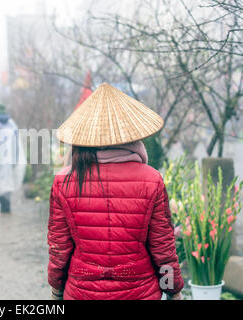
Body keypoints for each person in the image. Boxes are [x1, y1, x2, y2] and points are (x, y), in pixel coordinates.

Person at [47, 83, 183, 300]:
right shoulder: (152, 179)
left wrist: (56, 289)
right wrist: (173, 289)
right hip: (139, 292)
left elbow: (59, 247)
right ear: (132, 134)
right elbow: (162, 247)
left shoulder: (64, 181)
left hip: (83, 291)